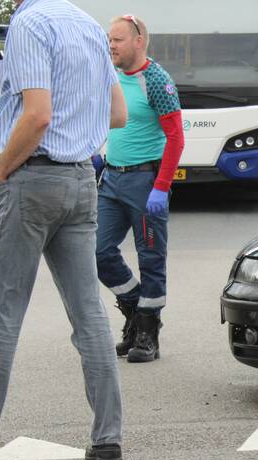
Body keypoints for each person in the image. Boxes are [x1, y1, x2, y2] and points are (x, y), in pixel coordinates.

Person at [0, 0, 128, 460]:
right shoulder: (88, 25)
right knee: (88, 315)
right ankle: (108, 441)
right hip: (81, 181)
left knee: (1, 310)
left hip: (32, 178)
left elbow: (37, 116)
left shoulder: (28, 25)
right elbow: (117, 113)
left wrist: (1, 168)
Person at [96, 14, 184, 363]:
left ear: (138, 41)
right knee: (97, 251)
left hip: (145, 182)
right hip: (112, 180)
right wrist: (98, 155)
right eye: (109, 39)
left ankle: (148, 334)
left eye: (117, 40)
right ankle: (135, 313)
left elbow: (175, 138)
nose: (111, 45)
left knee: (150, 259)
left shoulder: (157, 81)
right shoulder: (112, 76)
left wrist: (161, 188)